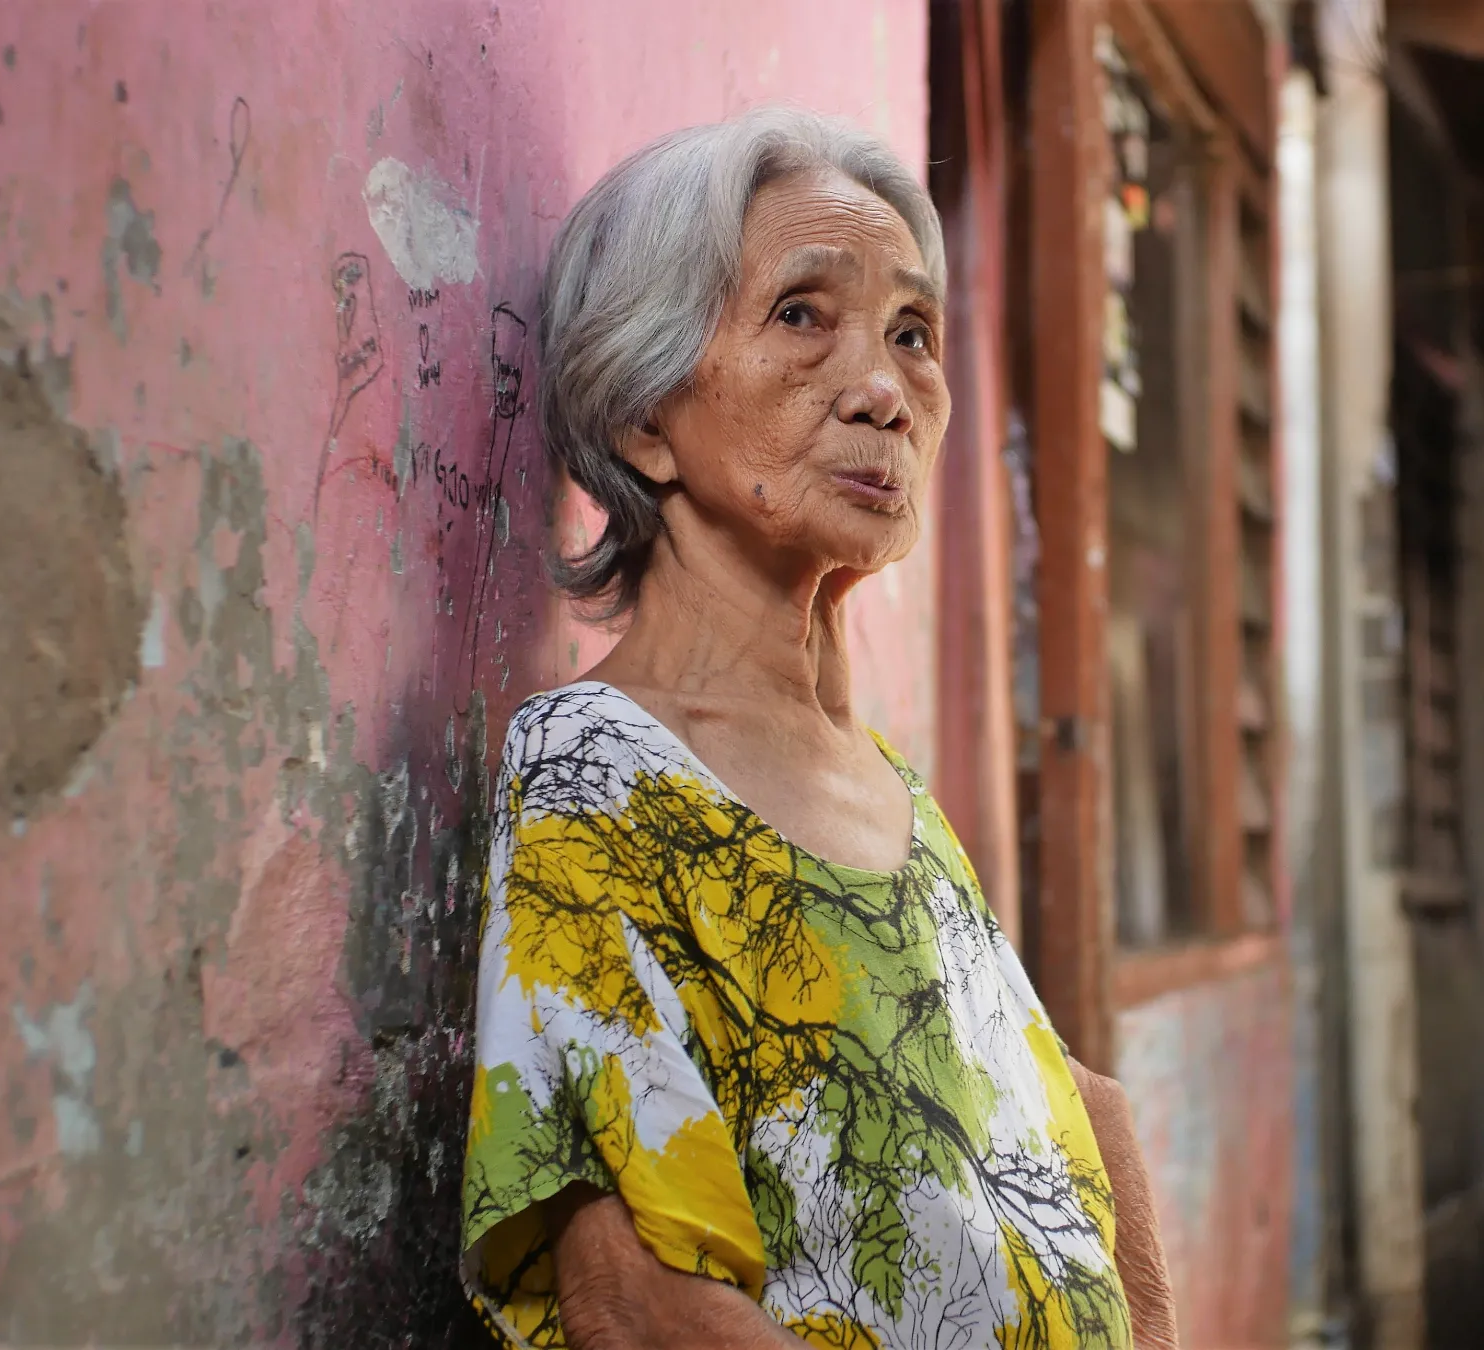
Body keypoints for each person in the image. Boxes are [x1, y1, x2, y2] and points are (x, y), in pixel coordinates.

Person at [459, 108, 1178, 1349]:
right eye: (802, 315)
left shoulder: (884, 780)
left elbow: (1075, 1118)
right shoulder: (596, 775)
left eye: (913, 334)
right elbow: (638, 1303)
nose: (886, 392)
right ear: (644, 415)